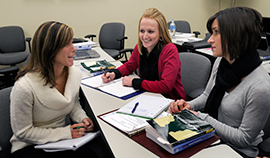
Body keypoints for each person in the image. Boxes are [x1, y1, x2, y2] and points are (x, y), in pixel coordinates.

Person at [169, 7, 270, 158]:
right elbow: (206, 95)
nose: (209, 39)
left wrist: (201, 118)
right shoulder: (221, 63)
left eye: (216, 32)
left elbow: (243, 139)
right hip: (211, 137)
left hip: (236, 151)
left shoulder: (261, 86)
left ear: (235, 36)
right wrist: (190, 105)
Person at [10, 21, 98, 158]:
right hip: (30, 145)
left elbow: (73, 104)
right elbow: (23, 132)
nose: (74, 48)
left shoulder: (74, 74)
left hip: (62, 141)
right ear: (50, 49)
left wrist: (83, 118)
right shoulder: (24, 87)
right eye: (67, 44)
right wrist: (65, 133)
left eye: (72, 42)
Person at [101, 8, 186, 100]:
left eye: (150, 31)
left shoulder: (169, 50)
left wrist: (134, 82)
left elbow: (165, 86)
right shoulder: (140, 47)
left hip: (171, 102)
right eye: (142, 31)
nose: (145, 36)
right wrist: (114, 73)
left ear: (161, 33)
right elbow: (129, 66)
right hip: (148, 96)